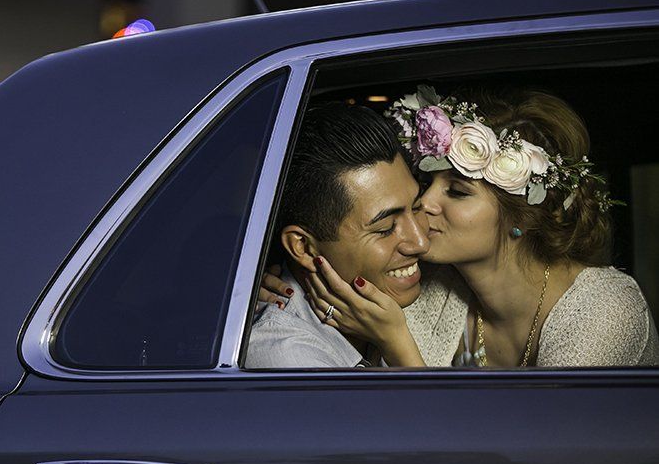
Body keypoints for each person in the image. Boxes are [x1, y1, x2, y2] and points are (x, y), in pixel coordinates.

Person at [286, 86, 659, 367]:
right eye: (429, 183)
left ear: (521, 218)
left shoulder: (606, 312)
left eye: (458, 192)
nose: (425, 203)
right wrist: (281, 279)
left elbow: (534, 461)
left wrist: (397, 342)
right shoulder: (434, 283)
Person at [245, 103, 430, 369]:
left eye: (416, 206)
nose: (421, 243)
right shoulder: (284, 354)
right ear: (304, 248)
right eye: (385, 228)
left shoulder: (433, 281)